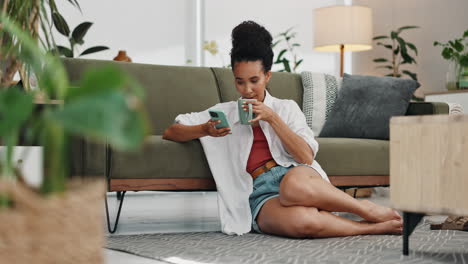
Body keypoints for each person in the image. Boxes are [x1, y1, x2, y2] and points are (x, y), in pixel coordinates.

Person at [163, 20, 403, 238]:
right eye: (239, 81)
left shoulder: (286, 108)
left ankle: (368, 210)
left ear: (267, 76)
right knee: (303, 223)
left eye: (254, 80)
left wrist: (272, 118)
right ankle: (372, 228)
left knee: (292, 186)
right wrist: (206, 129)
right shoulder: (226, 112)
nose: (247, 90)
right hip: (259, 193)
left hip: (297, 177)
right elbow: (172, 131)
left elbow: (305, 156)